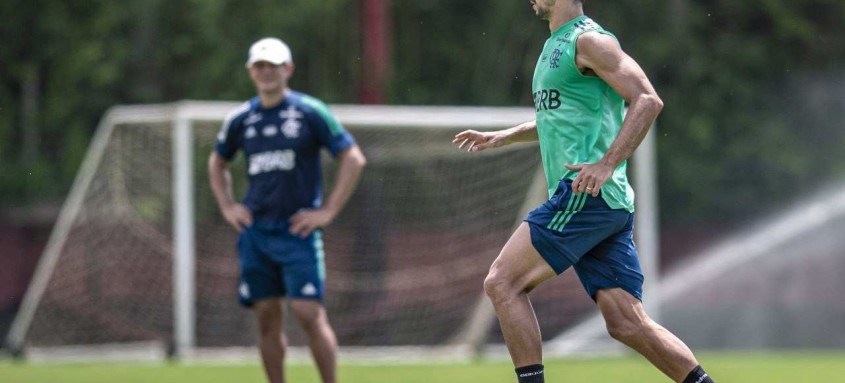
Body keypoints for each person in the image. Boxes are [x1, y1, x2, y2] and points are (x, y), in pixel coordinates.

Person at [452, 1, 714, 383]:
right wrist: (506, 136)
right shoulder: (554, 46)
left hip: (584, 195)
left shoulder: (589, 40)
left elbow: (647, 100)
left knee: (502, 283)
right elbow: (562, 116)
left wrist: (606, 163)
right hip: (605, 203)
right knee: (626, 322)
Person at [208, 37, 366, 383]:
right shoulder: (240, 119)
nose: (267, 72)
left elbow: (352, 158)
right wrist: (227, 206)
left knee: (308, 312)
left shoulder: (310, 112)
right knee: (266, 314)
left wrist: (327, 211)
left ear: (288, 69)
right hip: (256, 234)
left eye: (274, 65)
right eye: (260, 66)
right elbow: (217, 162)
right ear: (251, 71)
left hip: (298, 232)